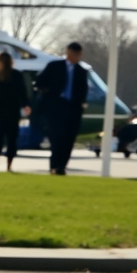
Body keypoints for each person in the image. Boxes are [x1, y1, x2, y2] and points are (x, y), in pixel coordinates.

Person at [34, 41, 88, 176]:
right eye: (74, 54)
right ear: (68, 52)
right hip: (56, 107)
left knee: (69, 139)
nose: (76, 57)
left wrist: (81, 104)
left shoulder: (81, 71)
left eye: (79, 55)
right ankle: (54, 166)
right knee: (56, 137)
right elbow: (39, 82)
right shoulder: (54, 66)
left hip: (73, 109)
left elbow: (83, 90)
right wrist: (48, 93)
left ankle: (62, 166)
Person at [0, 51, 30, 171]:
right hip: (12, 110)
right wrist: (25, 105)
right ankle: (9, 163)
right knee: (12, 138)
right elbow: (22, 92)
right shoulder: (17, 74)